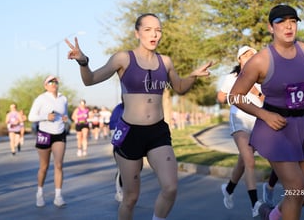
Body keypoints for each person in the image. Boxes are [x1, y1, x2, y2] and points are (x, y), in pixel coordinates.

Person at [65, 13, 213, 220]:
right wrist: (83, 61)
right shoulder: (123, 58)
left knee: (170, 188)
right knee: (130, 199)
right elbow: (90, 80)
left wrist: (193, 76)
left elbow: (179, 87)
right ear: (137, 33)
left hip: (157, 132)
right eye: (148, 30)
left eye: (158, 30)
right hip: (130, 132)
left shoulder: (166, 62)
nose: (154, 34)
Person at [229, 5, 304, 220]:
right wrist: (264, 115)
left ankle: (270, 215)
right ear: (271, 27)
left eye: (293, 21)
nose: (288, 26)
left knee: (303, 194)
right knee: (296, 187)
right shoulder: (260, 60)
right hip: (276, 128)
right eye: (281, 21)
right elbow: (235, 96)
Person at [217, 45, 264, 218]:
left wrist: (255, 92)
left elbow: (265, 99)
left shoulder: (261, 78)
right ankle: (255, 204)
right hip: (239, 119)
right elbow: (221, 97)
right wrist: (234, 94)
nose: (249, 57)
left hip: (258, 121)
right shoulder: (232, 77)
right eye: (245, 55)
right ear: (239, 60)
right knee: (249, 160)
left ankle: (229, 188)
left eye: (252, 54)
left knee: (243, 161)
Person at [28, 75, 69, 208]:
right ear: (45, 85)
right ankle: (39, 193)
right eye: (50, 82)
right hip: (44, 133)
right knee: (44, 167)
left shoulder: (63, 98)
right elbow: (31, 117)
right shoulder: (41, 98)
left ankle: (58, 196)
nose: (53, 83)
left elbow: (66, 115)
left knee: (58, 165)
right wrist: (46, 117)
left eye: (55, 81)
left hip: (59, 133)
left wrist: (65, 118)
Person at [109, 102, 125, 203]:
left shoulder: (138, 104)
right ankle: (119, 192)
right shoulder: (119, 108)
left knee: (137, 168)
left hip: (136, 139)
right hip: (121, 137)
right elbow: (112, 125)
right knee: (121, 168)